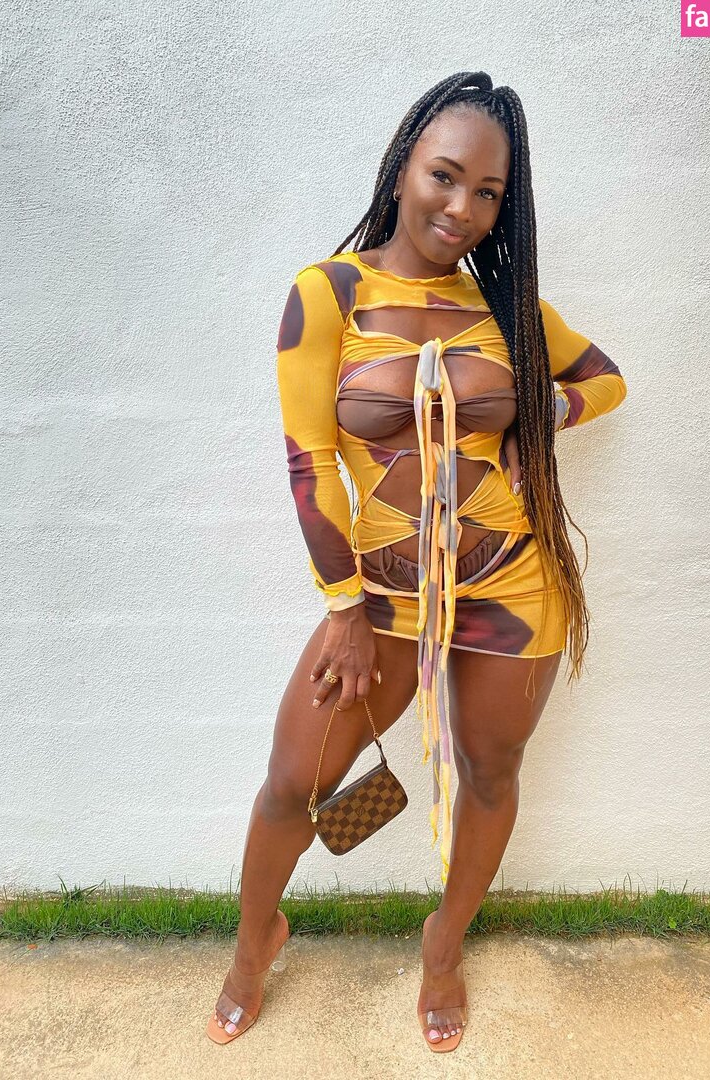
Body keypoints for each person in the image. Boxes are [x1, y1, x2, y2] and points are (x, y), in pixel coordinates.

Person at [206, 70, 627, 1053]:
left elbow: (605, 379)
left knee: (491, 770)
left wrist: (544, 412)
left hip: (512, 588)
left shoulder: (508, 309)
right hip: (380, 603)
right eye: (445, 176)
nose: (462, 207)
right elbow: (311, 463)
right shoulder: (329, 293)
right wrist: (344, 609)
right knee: (295, 784)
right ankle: (254, 942)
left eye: (488, 193)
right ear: (403, 168)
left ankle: (444, 945)